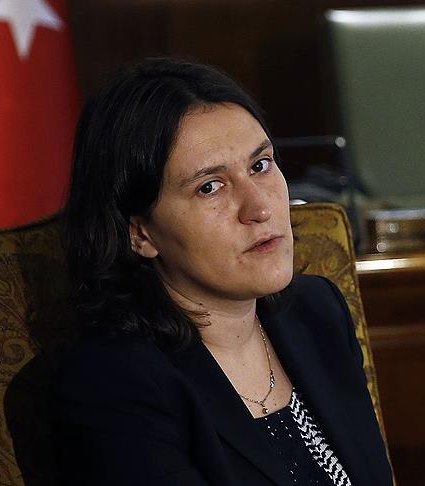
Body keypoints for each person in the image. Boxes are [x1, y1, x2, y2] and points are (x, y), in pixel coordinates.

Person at [54, 57, 393, 486]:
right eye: (209, 187)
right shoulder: (113, 384)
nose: (260, 208)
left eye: (260, 165)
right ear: (139, 233)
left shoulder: (317, 312)